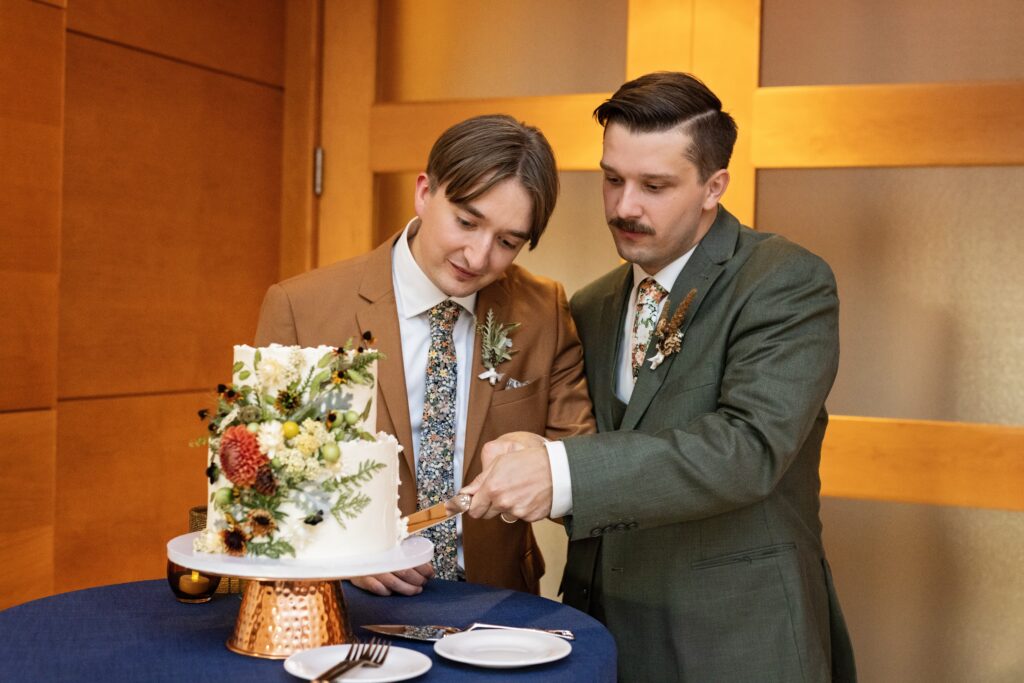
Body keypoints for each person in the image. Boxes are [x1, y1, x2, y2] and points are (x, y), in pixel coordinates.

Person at [463, 73, 857, 681]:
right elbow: (587, 450)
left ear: (712, 186)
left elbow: (748, 449)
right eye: (612, 178)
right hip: (606, 637)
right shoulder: (592, 305)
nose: (624, 206)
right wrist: (531, 455)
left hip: (738, 639)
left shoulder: (783, 281)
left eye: (654, 186)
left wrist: (561, 470)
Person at [255, 114, 594, 596]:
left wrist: (545, 471)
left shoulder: (545, 311)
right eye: (466, 222)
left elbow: (581, 471)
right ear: (424, 192)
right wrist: (338, 549)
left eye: (507, 242)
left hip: (497, 608)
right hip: (347, 602)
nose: (477, 258)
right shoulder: (301, 308)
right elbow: (262, 482)